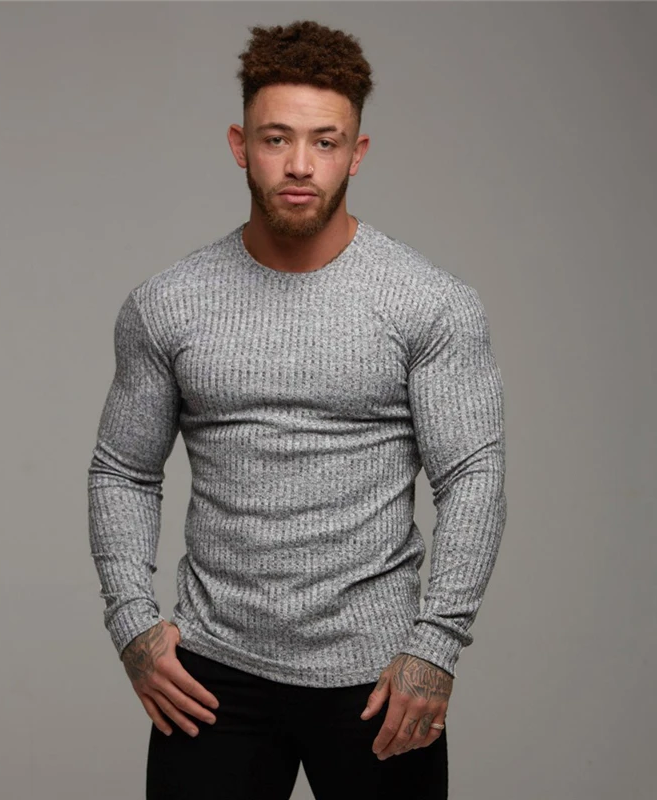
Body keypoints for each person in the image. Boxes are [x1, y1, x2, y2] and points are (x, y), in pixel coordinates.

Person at [87, 18, 507, 800]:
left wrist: (436, 647)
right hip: (211, 679)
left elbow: (473, 477)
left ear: (358, 152)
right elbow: (123, 469)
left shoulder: (429, 302)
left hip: (379, 680)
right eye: (276, 138)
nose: (301, 165)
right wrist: (133, 625)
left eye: (325, 141)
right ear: (240, 145)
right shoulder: (168, 304)